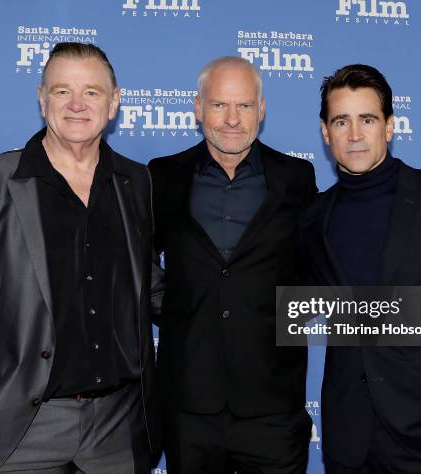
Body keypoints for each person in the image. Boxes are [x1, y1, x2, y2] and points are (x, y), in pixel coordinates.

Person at [0, 42, 162, 473]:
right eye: (61, 91)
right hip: (18, 427)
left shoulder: (137, 181)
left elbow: (150, 285)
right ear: (41, 98)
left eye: (92, 92)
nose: (76, 104)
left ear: (114, 103)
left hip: (119, 426)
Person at [300, 64, 421, 473]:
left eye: (367, 119)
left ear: (389, 126)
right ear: (325, 132)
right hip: (350, 438)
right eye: (342, 121)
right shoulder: (315, 216)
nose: (354, 134)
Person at [148, 56, 317, 473]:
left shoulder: (296, 177)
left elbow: (314, 266)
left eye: (243, 106)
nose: (231, 119)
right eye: (219, 105)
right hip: (189, 406)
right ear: (197, 107)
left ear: (261, 110)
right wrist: (176, 310)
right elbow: (139, 261)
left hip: (272, 402)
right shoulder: (161, 176)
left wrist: (281, 318)